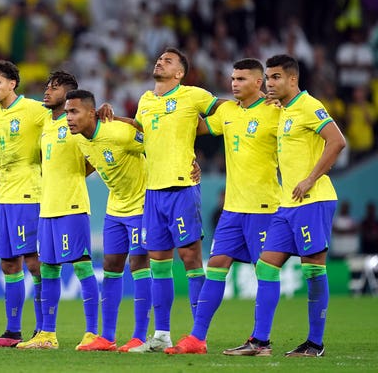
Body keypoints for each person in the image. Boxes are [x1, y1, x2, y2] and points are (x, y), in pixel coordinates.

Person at [225, 54, 345, 357]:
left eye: (276, 77)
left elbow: (337, 141)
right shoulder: (283, 110)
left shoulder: (309, 106)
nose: (270, 83)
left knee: (313, 270)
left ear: (293, 79)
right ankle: (260, 342)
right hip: (287, 204)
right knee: (266, 266)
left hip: (313, 200)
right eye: (268, 77)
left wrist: (310, 179)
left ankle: (315, 344)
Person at [100, 47, 220, 351]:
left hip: (181, 187)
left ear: (179, 73)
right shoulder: (146, 100)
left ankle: (198, 335)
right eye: (159, 59)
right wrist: (114, 119)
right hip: (152, 193)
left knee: (191, 257)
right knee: (158, 263)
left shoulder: (194, 95)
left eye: (168, 61)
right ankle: (162, 334)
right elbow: (142, 131)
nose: (159, 62)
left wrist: (256, 103)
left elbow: (226, 113)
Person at [164, 58, 281, 354]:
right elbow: (197, 129)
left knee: (265, 271)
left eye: (241, 79)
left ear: (259, 82)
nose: (234, 83)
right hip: (233, 207)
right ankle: (197, 338)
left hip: (264, 206)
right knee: (216, 265)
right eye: (233, 78)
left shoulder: (275, 111)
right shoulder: (227, 111)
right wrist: (188, 158)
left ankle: (261, 341)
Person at [15, 73, 99, 350]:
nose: (47, 90)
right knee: (48, 269)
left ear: (70, 94)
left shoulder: (75, 124)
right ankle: (47, 335)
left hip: (72, 206)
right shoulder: (47, 126)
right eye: (47, 86)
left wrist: (74, 178)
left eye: (54, 87)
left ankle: (92, 333)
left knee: (82, 265)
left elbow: (95, 157)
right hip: (47, 207)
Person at [64, 89, 151, 352]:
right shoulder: (79, 139)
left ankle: (139, 336)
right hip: (116, 206)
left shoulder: (118, 133)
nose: (68, 117)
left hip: (142, 203)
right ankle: (108, 337)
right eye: (67, 112)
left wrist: (191, 163)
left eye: (74, 111)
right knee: (111, 264)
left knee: (138, 263)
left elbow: (152, 140)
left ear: (93, 113)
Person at [0, 60, 46, 347]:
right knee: (8, 264)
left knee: (35, 263)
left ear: (12, 83)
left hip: (29, 195)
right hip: (4, 198)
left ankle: (45, 329)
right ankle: (12, 332)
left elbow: (63, 124)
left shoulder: (33, 110)